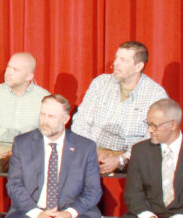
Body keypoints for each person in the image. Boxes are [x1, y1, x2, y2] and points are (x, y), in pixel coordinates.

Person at [72, 41, 168, 176]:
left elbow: (153, 137)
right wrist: (92, 152)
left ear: (138, 66)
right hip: (91, 157)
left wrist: (121, 159)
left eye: (123, 60)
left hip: (133, 165)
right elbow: (80, 121)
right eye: (116, 58)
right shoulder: (100, 83)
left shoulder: (155, 94)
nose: (116, 63)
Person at [0, 52, 50, 181]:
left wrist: (23, 149)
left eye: (15, 69)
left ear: (29, 76)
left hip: (30, 149)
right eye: (8, 67)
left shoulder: (43, 98)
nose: (8, 72)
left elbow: (48, 131)